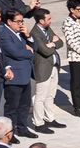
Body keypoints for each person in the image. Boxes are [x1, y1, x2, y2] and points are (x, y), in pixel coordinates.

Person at [28, 7, 66, 135]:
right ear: (40, 21)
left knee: (50, 95)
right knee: (40, 98)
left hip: (53, 67)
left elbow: (60, 43)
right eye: (48, 19)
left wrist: (52, 44)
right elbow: (44, 51)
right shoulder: (35, 33)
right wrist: (51, 44)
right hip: (43, 69)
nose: (51, 20)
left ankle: (50, 118)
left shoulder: (47, 29)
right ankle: (38, 123)